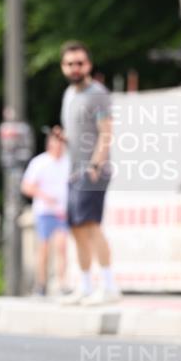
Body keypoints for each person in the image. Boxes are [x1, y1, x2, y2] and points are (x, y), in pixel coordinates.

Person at [59, 41, 120, 305]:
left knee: (92, 225)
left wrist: (96, 165)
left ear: (89, 65)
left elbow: (106, 132)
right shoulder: (69, 94)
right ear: (64, 67)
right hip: (73, 171)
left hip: (92, 170)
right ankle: (85, 285)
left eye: (80, 63)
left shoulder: (97, 93)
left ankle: (108, 286)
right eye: (70, 64)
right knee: (77, 228)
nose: (75, 68)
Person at [20, 126, 70, 295]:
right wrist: (44, 196)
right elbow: (26, 186)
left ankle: (62, 283)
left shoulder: (68, 163)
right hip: (45, 211)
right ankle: (41, 284)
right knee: (44, 248)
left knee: (62, 247)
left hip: (62, 211)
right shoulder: (40, 163)